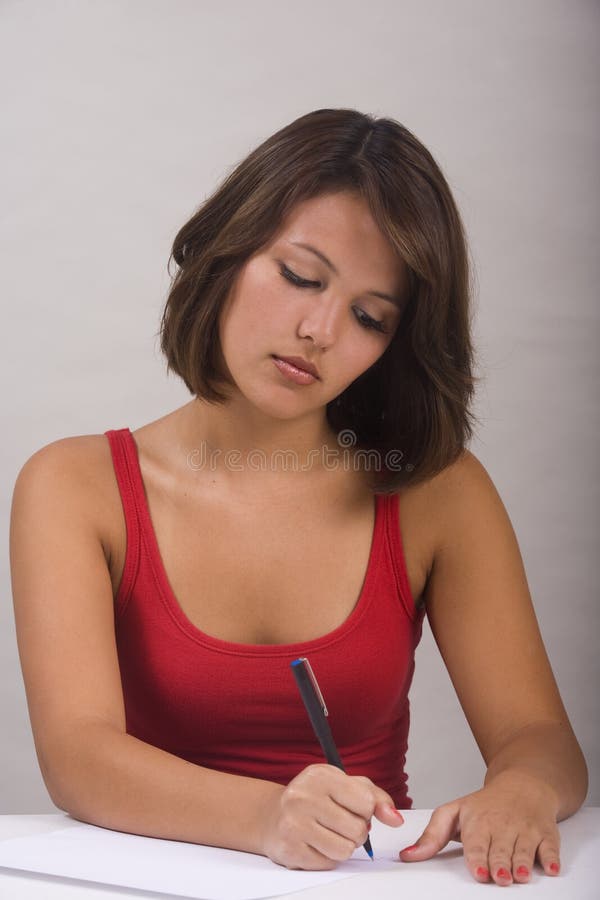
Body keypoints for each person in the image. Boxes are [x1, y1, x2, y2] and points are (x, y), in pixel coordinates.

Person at [9, 108, 587, 887]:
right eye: (300, 276)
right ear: (229, 251)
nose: (318, 329)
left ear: (393, 346)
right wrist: (267, 818)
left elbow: (539, 735)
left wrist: (521, 789)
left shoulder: (436, 493)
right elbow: (79, 757)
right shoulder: (74, 487)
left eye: (368, 316)